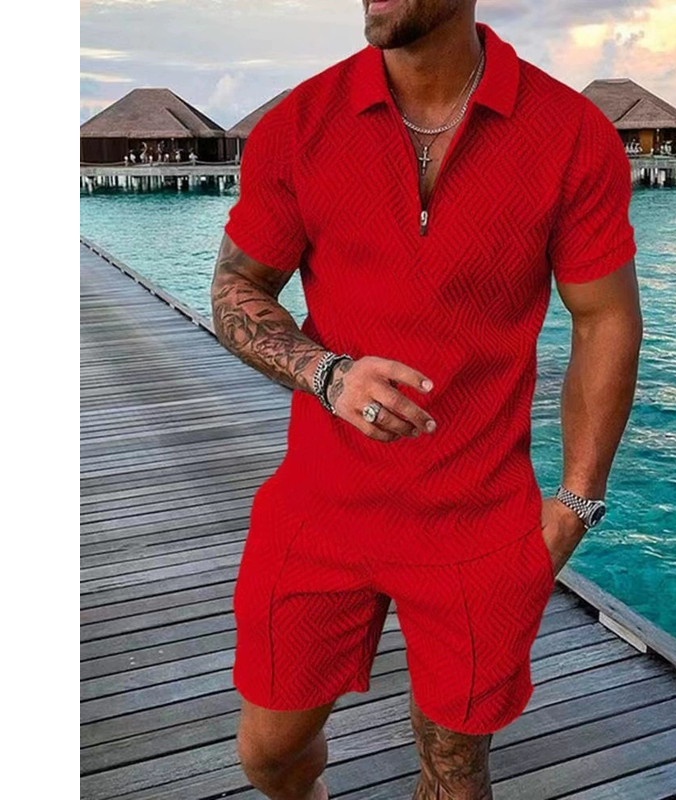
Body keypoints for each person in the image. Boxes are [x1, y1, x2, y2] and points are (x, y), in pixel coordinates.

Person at [211, 3, 642, 799]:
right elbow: (237, 286)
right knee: (267, 754)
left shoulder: (570, 133)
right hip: (320, 507)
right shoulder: (298, 125)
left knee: (455, 773)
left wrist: (578, 501)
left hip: (477, 521)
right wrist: (328, 374)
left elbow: (604, 317)